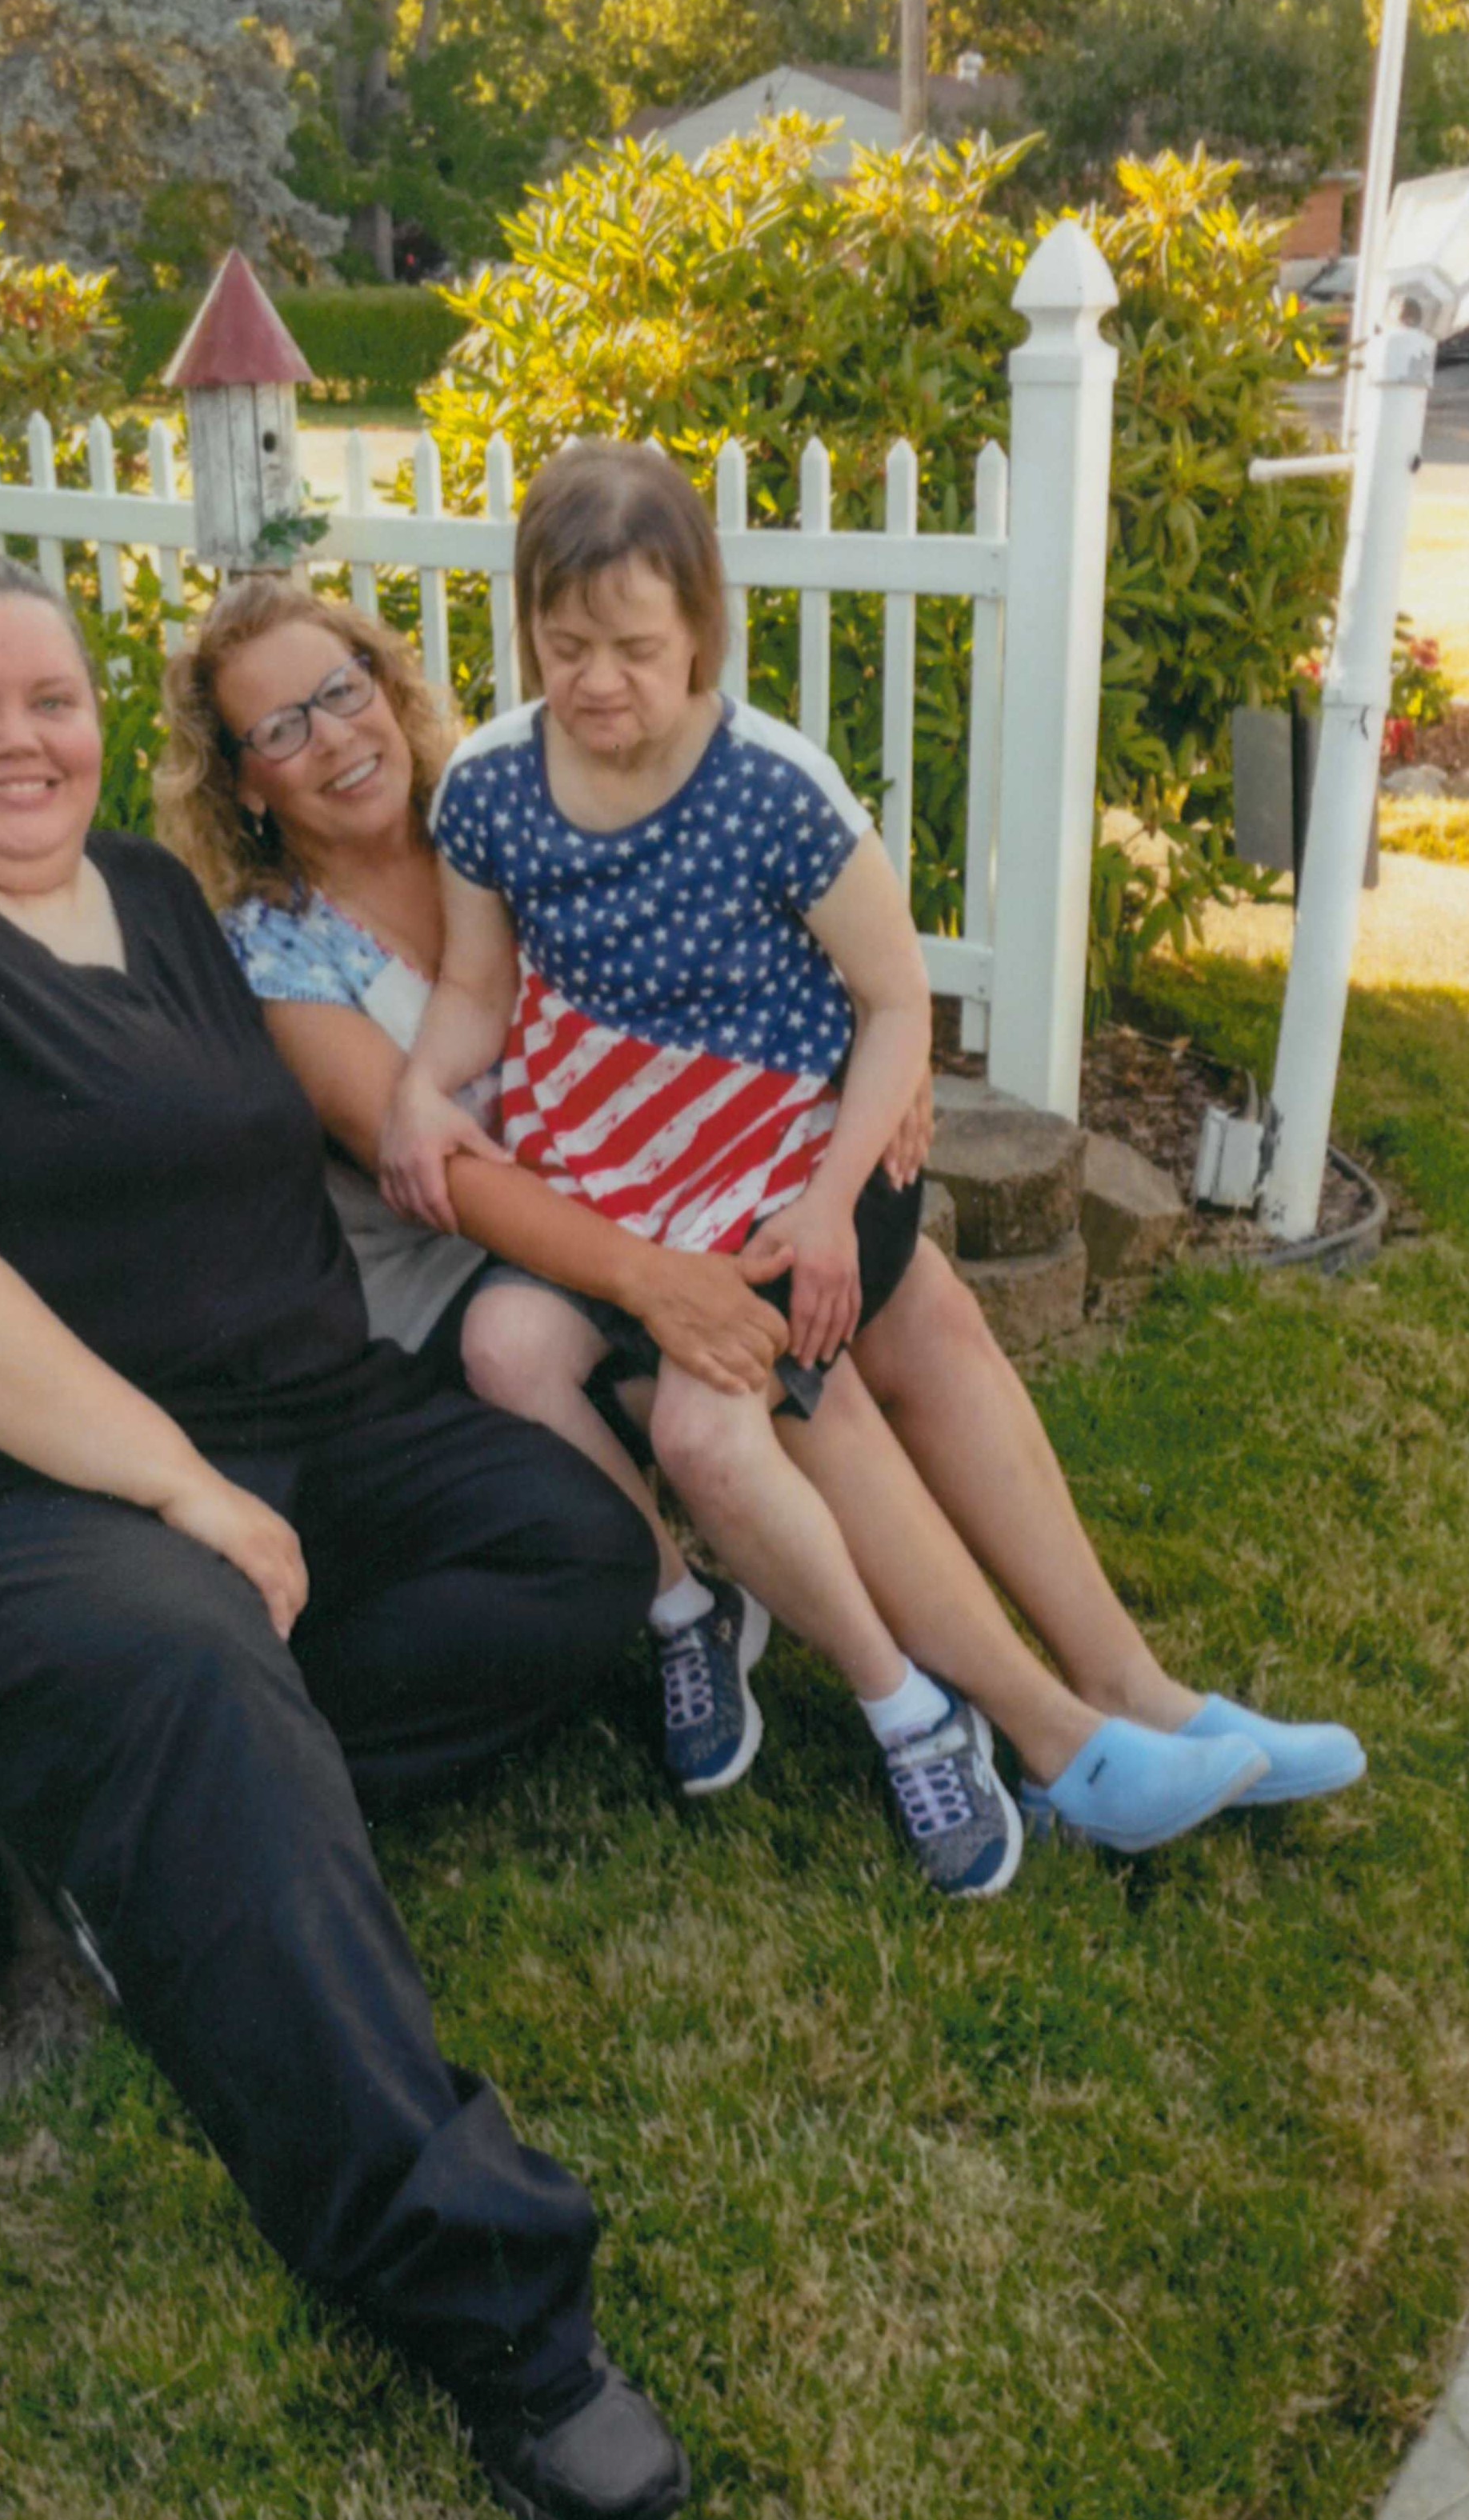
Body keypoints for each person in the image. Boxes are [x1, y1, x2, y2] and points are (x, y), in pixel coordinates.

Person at [0, 549, 693, 2520]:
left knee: (567, 1543)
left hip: (252, 1417)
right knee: (192, 1656)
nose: (17, 740)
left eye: (48, 698)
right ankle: (494, 2306)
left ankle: (174, 1846)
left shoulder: (148, 895)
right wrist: (181, 1488)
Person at [161, 449, 1363, 1898]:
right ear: (239, 778)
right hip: (504, 1262)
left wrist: (865, 1085)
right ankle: (1030, 1730)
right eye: (281, 727)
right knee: (795, 1373)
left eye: (344, 687)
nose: (335, 736)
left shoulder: (500, 791)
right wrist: (663, 1274)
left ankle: (1134, 1685)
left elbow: (763, 966)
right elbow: (461, 1175)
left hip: (673, 1176)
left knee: (914, 1304)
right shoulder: (295, 942)